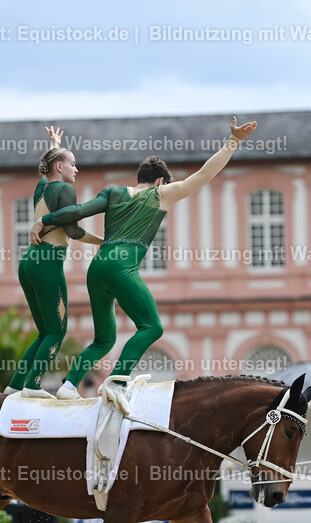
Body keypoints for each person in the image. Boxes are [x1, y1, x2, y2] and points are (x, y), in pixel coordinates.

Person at [31, 116, 258, 398]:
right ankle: (117, 380)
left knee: (104, 339)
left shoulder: (113, 192)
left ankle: (68, 386)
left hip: (97, 268)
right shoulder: (162, 194)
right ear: (161, 180)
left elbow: (77, 212)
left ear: (140, 177)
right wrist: (233, 141)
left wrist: (44, 220)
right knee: (152, 326)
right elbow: (204, 174)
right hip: (121, 267)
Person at [5, 126, 104, 399]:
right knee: (57, 332)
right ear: (59, 166)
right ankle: (33, 386)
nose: (77, 169)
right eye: (73, 163)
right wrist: (103, 242)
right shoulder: (65, 190)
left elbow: (43, 171)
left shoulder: (41, 187)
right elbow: (73, 231)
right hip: (48, 263)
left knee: (43, 332)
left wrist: (53, 144)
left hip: (28, 263)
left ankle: (15, 385)